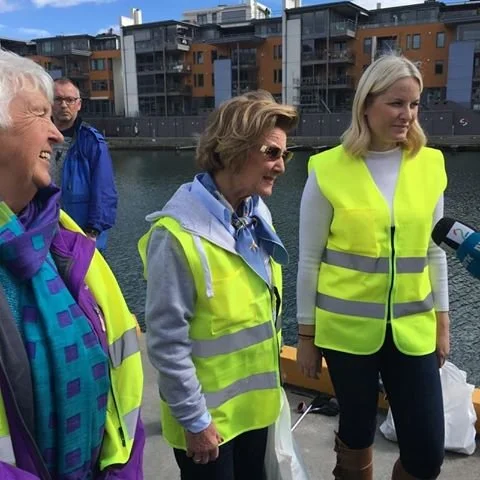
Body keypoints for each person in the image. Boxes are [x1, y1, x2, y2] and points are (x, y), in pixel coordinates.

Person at [296, 54, 449, 480]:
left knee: (426, 451)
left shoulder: (431, 165)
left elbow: (435, 252)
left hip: (413, 329)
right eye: (397, 103)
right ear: (367, 104)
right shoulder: (326, 169)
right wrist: (305, 336)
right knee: (357, 431)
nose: (407, 115)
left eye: (415, 104)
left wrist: (443, 321)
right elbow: (310, 260)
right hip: (346, 333)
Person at [138, 91, 298, 480]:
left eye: (284, 155)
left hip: (254, 411)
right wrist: (195, 423)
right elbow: (166, 343)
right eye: (271, 152)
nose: (280, 166)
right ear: (233, 149)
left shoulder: (256, 215)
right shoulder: (177, 236)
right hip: (206, 424)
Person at [0, 49, 144, 479]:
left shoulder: (72, 249)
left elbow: (126, 379)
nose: (56, 131)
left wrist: (123, 470)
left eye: (60, 108)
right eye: (41, 114)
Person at [51, 78, 117, 252]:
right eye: (58, 99)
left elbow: (104, 190)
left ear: (78, 105)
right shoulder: (36, 138)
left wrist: (93, 231)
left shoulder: (92, 142)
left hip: (80, 233)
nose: (64, 105)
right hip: (44, 230)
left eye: (70, 100)